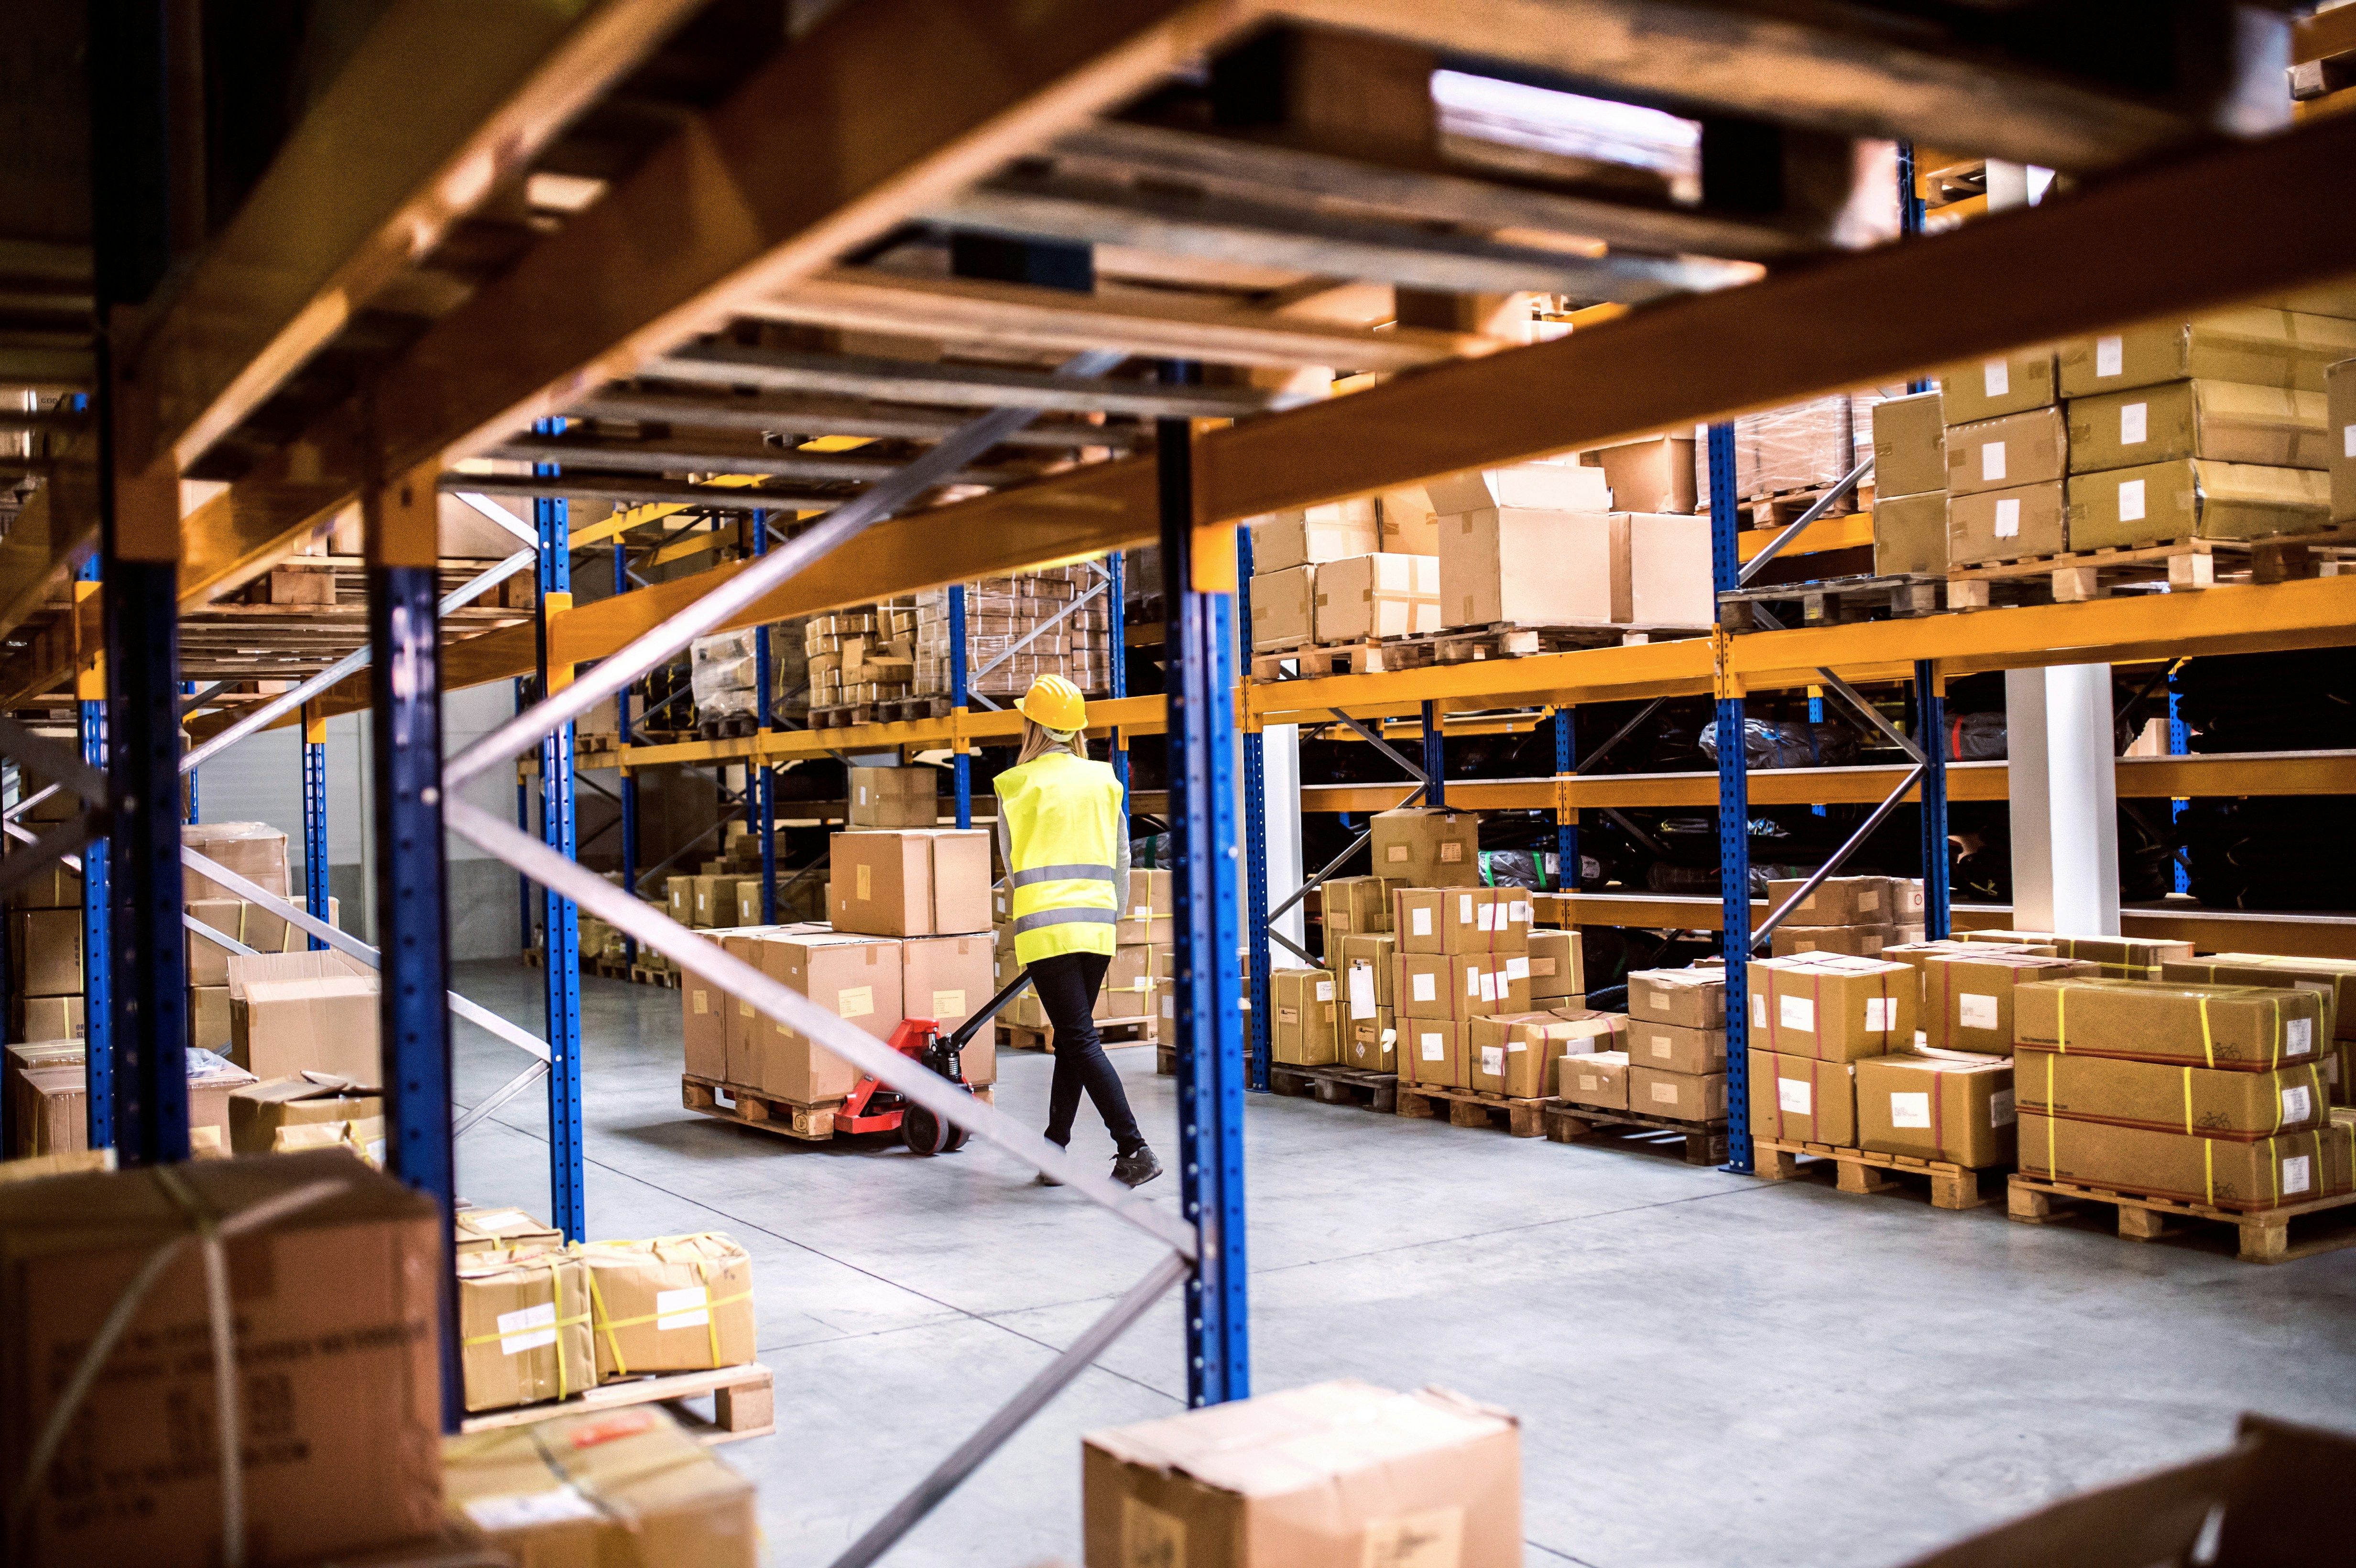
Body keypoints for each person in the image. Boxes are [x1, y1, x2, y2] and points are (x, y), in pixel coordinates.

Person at [993, 673, 1162, 1189]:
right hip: (1097, 924)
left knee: (1080, 1040)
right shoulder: (1104, 780)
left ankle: (1133, 1147)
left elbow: (1009, 859)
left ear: (1033, 726)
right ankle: (1054, 1149)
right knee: (1073, 1040)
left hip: (1047, 930)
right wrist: (1112, 915)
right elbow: (1121, 861)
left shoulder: (1016, 784)